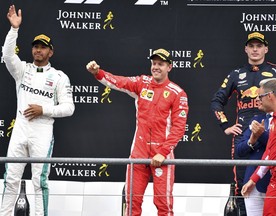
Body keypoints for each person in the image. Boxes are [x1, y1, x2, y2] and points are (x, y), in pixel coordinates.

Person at [86, 48, 188, 216]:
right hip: (138, 154)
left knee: (164, 205)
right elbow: (119, 82)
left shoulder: (178, 93)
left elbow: (178, 128)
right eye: (154, 63)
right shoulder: (142, 83)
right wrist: (98, 73)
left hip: (162, 157)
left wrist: (162, 153)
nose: (156, 67)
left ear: (169, 67)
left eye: (160, 64)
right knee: (132, 203)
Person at [0, 5, 75, 216]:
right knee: (11, 179)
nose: (38, 50)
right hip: (20, 131)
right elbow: (7, 55)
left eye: (43, 47)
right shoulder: (22, 70)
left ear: (50, 51)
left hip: (42, 133)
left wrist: (44, 109)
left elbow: (69, 108)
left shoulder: (59, 77)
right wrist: (14, 29)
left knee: (39, 182)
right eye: (35, 47)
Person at [210, 31, 276, 215]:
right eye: (251, 46)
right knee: (243, 186)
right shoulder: (236, 74)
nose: (255, 50)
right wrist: (225, 125)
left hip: (275, 132)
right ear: (245, 49)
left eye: (259, 46)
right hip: (246, 136)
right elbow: (216, 101)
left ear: (265, 49)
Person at [241, 78, 276, 216]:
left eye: (260, 96)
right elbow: (270, 153)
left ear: (269, 96)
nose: (257, 100)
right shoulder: (275, 117)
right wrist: (253, 179)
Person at [236, 109, 272, 216]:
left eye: (260, 96)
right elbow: (240, 150)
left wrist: (261, 135)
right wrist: (252, 140)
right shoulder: (257, 119)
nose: (257, 100)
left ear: (271, 95)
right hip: (252, 184)